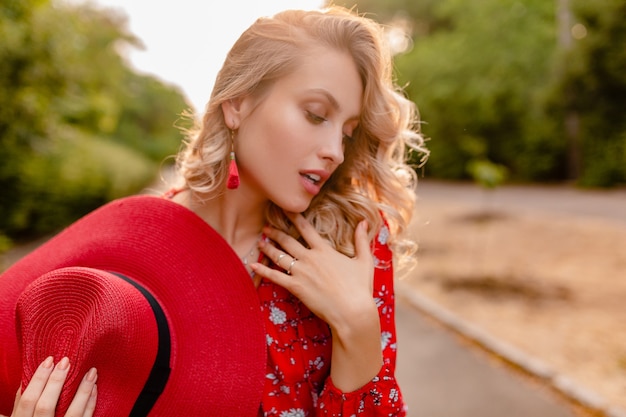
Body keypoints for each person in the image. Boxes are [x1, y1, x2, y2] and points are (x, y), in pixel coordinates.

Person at [1, 5, 427, 416]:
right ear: (237, 103)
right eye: (316, 115)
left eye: (349, 134)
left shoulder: (350, 239)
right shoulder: (133, 244)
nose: (335, 151)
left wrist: (357, 327)